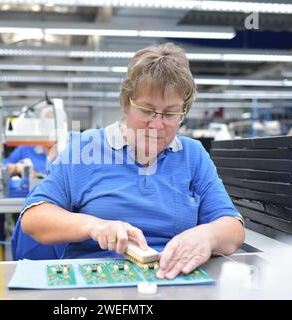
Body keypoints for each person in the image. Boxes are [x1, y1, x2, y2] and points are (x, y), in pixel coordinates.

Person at [18, 43, 245, 279]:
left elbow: (233, 229)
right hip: (98, 281)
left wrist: (207, 236)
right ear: (125, 103)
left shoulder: (193, 155)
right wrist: (96, 226)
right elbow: (34, 218)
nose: (157, 124)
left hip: (174, 279)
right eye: (147, 110)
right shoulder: (84, 149)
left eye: (170, 113)